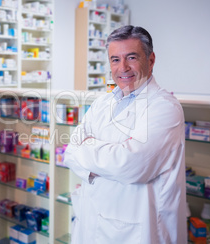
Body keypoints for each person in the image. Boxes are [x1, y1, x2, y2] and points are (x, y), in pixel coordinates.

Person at [64, 25, 186, 243]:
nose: (123, 67)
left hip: (137, 231)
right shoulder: (103, 102)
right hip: (91, 223)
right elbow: (71, 151)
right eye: (115, 59)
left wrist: (89, 150)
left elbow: (131, 165)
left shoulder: (165, 108)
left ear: (150, 60)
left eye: (131, 57)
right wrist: (106, 157)